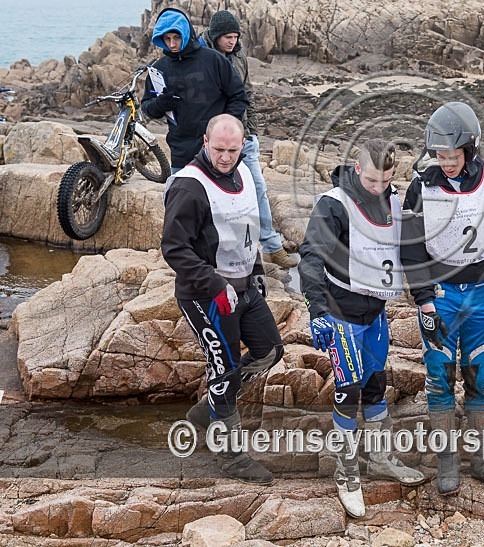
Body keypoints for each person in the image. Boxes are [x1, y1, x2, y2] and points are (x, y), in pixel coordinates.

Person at [298, 139, 425, 517]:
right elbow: (310, 256)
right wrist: (316, 308)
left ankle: (381, 457)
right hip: (341, 314)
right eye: (371, 180)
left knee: (374, 384)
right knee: (347, 389)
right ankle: (346, 470)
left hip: (375, 314)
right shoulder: (333, 204)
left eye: (385, 180)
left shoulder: (394, 199)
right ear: (357, 167)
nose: (377, 188)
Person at [400, 102, 484, 495]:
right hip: (441, 293)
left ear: (471, 149)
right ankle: (446, 463)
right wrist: (423, 301)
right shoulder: (421, 185)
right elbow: (411, 248)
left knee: (480, 378)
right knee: (438, 378)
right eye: (439, 156)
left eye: (453, 157)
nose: (446, 163)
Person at [162, 114, 284, 484]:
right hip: (205, 295)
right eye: (219, 149)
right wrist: (215, 284)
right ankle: (231, 456)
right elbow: (173, 248)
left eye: (233, 150)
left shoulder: (244, 172)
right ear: (204, 141)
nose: (226, 157)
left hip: (245, 286)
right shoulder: (188, 186)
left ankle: (206, 410)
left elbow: (247, 228)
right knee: (224, 372)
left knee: (270, 351)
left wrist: (258, 270)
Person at [199, 10, 298, 269]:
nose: (231, 41)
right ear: (215, 35)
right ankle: (218, 251)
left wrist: (251, 129)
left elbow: (247, 92)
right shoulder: (200, 56)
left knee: (257, 188)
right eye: (226, 37)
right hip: (214, 140)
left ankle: (272, 247)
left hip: (242, 136)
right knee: (214, 197)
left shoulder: (239, 55)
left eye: (235, 36)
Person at [142, 7, 248, 172]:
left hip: (216, 150)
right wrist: (161, 103)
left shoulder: (214, 60)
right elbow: (148, 107)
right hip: (180, 152)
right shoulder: (159, 68)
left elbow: (239, 96)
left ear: (186, 33)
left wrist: (224, 127)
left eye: (176, 37)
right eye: (167, 38)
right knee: (181, 197)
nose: (172, 44)